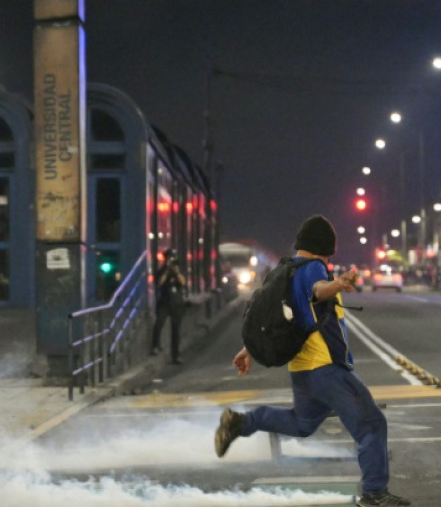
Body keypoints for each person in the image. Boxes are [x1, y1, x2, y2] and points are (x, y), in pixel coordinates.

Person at [214, 215, 410, 507]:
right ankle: (374, 494)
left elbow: (272, 319)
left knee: (301, 423)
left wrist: (249, 349)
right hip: (326, 367)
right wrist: (338, 284)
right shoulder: (313, 267)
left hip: (302, 370)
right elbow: (319, 289)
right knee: (371, 425)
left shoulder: (283, 272)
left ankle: (241, 423)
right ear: (324, 247)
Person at [151, 248, 187, 363]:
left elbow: (183, 283)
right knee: (159, 323)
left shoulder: (178, 270)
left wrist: (176, 272)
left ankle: (176, 356)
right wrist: (166, 271)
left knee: (176, 331)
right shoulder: (162, 271)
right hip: (164, 302)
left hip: (177, 303)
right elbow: (159, 283)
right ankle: (155, 346)